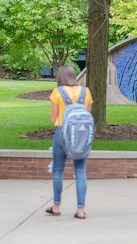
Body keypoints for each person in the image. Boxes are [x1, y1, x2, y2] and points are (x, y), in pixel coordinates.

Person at [46, 65, 93, 219]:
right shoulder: (86, 92)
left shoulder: (57, 93)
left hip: (61, 133)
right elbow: (88, 114)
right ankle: (80, 210)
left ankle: (56, 206)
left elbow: (54, 117)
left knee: (58, 170)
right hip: (80, 135)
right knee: (80, 171)